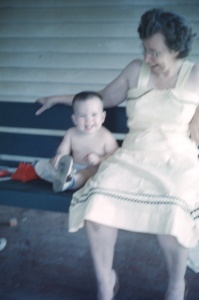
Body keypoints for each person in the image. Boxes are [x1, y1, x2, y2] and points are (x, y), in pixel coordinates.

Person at [36, 8, 199, 300]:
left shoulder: (196, 75)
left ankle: (176, 286)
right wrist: (57, 98)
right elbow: (100, 98)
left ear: (176, 49)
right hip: (132, 156)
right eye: (145, 50)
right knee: (97, 204)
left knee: (175, 209)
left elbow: (197, 134)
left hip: (177, 158)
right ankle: (105, 284)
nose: (148, 58)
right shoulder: (136, 70)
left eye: (155, 52)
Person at [35, 91, 118, 193]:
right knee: (54, 162)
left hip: (93, 168)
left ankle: (70, 182)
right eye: (82, 116)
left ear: (102, 117)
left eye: (94, 115)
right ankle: (59, 175)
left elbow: (115, 156)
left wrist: (99, 159)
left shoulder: (106, 136)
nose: (88, 120)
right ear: (74, 119)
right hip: (72, 166)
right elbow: (63, 148)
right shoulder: (71, 133)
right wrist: (60, 155)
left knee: (86, 173)